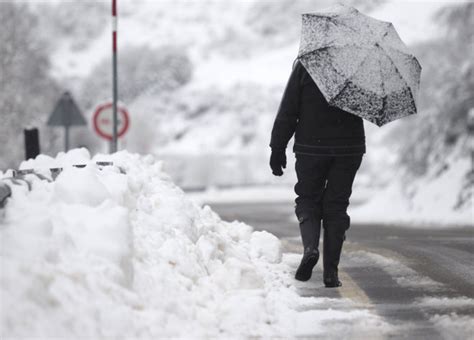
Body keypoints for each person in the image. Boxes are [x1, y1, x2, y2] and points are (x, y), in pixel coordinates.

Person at [269, 59, 365, 287]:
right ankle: (331, 273)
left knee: (308, 199)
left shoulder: (308, 64)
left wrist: (277, 147)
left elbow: (289, 109)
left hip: (311, 147)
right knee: (337, 205)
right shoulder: (361, 65)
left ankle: (311, 248)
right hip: (349, 148)